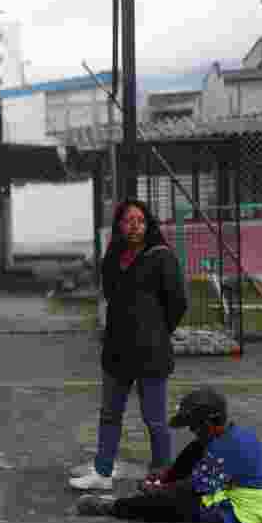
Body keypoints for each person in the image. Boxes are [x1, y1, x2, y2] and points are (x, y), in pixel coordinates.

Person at [70, 199, 187, 491]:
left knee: (155, 419)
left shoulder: (162, 256)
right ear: (119, 226)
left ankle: (161, 476)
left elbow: (178, 303)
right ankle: (102, 473)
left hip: (151, 352)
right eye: (128, 220)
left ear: (148, 225)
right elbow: (110, 295)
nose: (134, 226)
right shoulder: (113, 258)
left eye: (140, 220)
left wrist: (158, 331)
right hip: (116, 350)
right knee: (110, 414)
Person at [76, 387, 262, 523]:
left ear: (208, 423)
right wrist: (166, 477)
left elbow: (192, 489)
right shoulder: (229, 434)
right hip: (247, 491)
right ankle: (163, 482)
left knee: (173, 505)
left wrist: (160, 491)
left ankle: (112, 507)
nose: (192, 431)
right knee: (196, 448)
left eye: (194, 426)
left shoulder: (224, 449)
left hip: (244, 510)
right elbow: (198, 466)